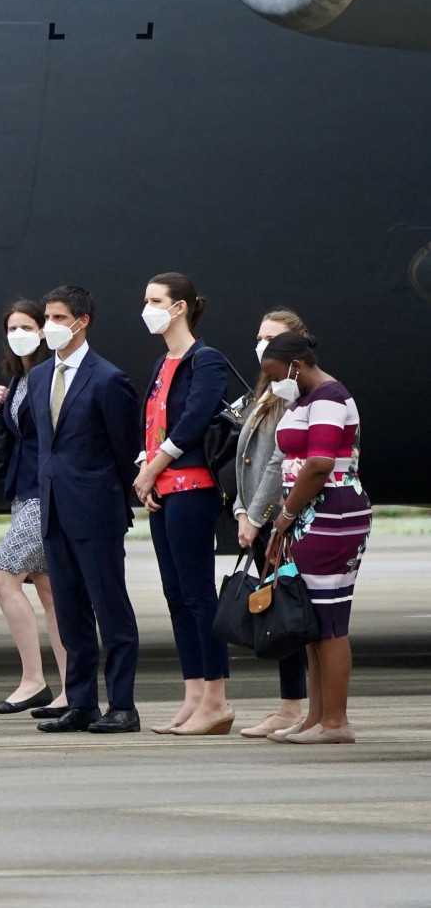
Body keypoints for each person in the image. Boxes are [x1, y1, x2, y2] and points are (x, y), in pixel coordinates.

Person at [27, 285, 143, 734]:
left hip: (96, 511)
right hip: (54, 510)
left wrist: (117, 504)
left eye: (59, 318)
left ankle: (123, 704)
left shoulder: (108, 379)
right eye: (47, 317)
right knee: (70, 611)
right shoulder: (39, 377)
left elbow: (124, 450)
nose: (50, 326)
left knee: (110, 608)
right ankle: (80, 701)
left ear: (81, 321)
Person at [133, 272, 235, 735]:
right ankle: (193, 691)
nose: (147, 308)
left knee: (198, 594)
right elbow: (152, 423)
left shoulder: (204, 360)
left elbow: (194, 420)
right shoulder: (162, 363)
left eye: (155, 300)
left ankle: (217, 698)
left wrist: (154, 468)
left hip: (192, 487)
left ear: (180, 307)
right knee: (176, 594)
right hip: (162, 489)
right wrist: (145, 466)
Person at [263, 330, 368, 744]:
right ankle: (315, 717)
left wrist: (286, 515)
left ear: (297, 366)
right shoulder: (306, 399)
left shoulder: (328, 397)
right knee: (311, 620)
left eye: (276, 374)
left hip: (331, 516)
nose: (273, 383)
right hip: (310, 516)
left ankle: (337, 722)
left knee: (329, 620)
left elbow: (321, 462)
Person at [0, 300, 66, 715]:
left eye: (26, 326)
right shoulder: (20, 379)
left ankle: (34, 679)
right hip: (23, 491)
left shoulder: (53, 375)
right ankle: (70, 686)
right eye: (11, 327)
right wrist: (1, 407)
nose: (18, 333)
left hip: (44, 493)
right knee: (50, 590)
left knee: (2, 580)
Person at [233, 310, 309, 738]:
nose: (262, 344)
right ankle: (290, 705)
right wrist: (242, 511)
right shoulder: (267, 390)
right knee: (280, 614)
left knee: (289, 614)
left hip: (281, 520)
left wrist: (258, 516)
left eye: (272, 337)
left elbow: (279, 463)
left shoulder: (292, 394)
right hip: (258, 517)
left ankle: (293, 707)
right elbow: (247, 461)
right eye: (259, 336)